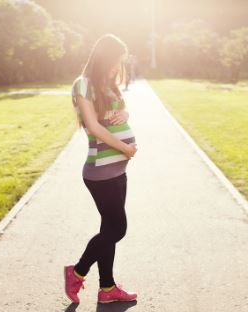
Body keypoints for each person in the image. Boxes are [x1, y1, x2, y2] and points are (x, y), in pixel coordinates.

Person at [64, 34, 138, 304]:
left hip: (118, 170)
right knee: (117, 229)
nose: (116, 68)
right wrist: (125, 147)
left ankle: (107, 289)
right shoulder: (82, 85)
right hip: (100, 172)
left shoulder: (107, 84)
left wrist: (125, 115)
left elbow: (120, 110)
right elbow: (94, 127)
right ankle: (77, 271)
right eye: (114, 62)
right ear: (103, 58)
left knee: (109, 228)